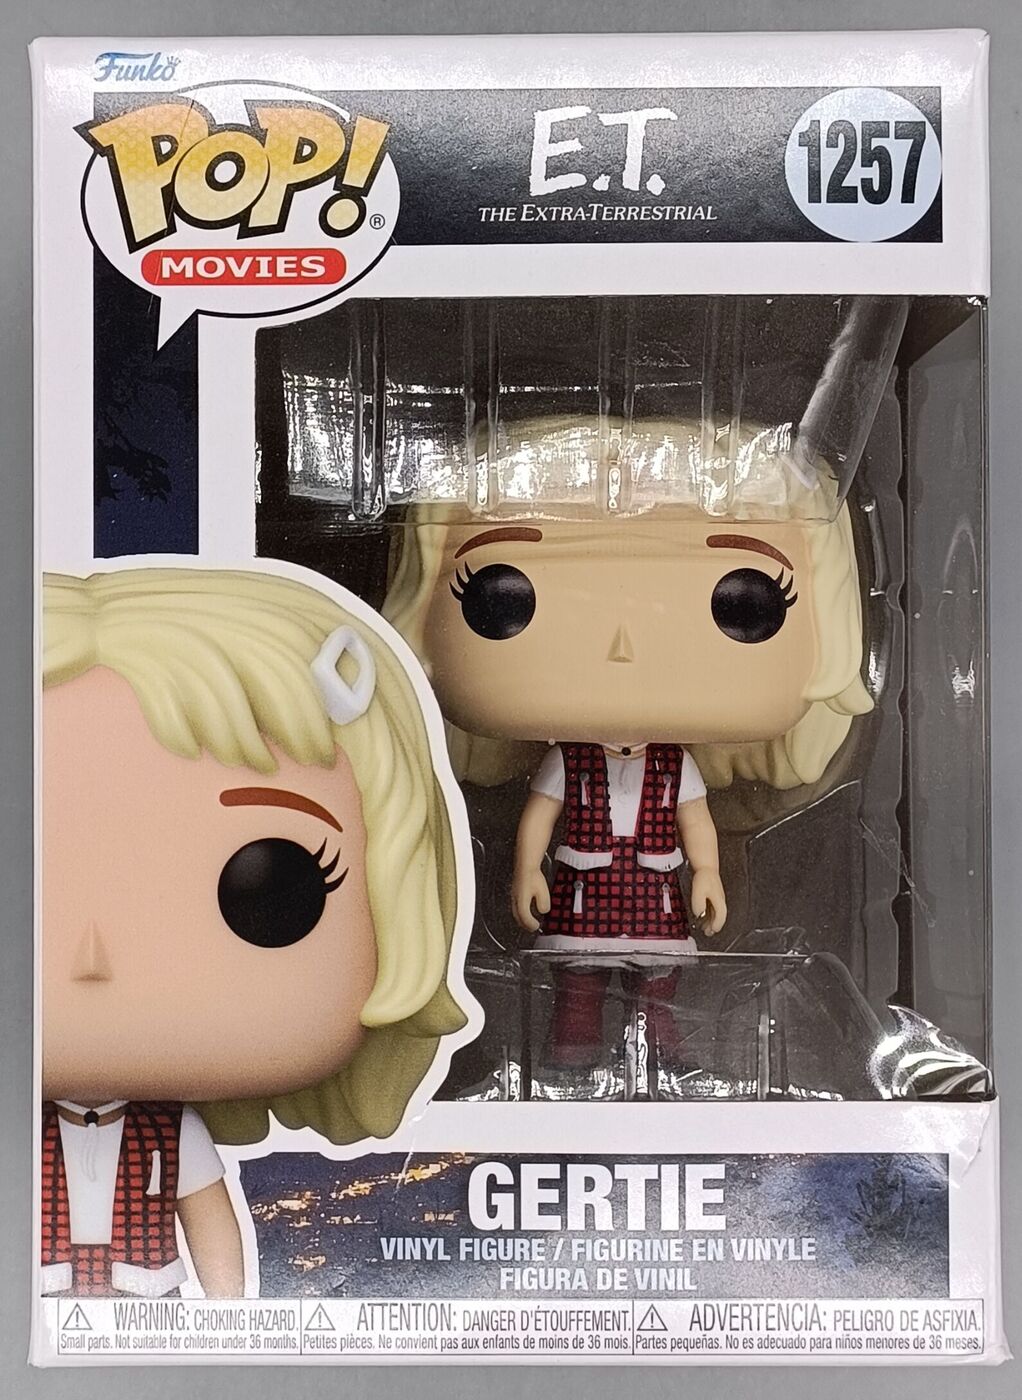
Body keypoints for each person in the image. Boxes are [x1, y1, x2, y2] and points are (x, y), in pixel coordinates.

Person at [384, 417, 872, 1066]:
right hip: (583, 892)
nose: (623, 648)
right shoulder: (567, 762)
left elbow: (695, 822)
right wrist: (527, 869)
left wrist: (707, 873)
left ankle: (660, 1045)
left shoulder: (673, 768)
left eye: (745, 602)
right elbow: (539, 818)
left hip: (652, 894)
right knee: (578, 983)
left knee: (658, 984)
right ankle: (573, 1047)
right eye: (503, 597)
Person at [41, 567, 468, 1296]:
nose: (92, 956)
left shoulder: (175, 1133)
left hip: (151, 1302)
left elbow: (210, 1224)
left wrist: (230, 1319)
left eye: (271, 887)